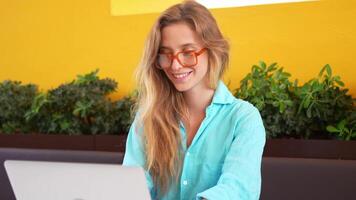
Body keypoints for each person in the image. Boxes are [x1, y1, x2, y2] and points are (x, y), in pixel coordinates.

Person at [123, 1, 266, 199]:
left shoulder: (243, 118)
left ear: (212, 50)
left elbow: (237, 189)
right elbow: (132, 188)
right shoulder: (146, 119)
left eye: (188, 53)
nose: (175, 65)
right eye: (165, 54)